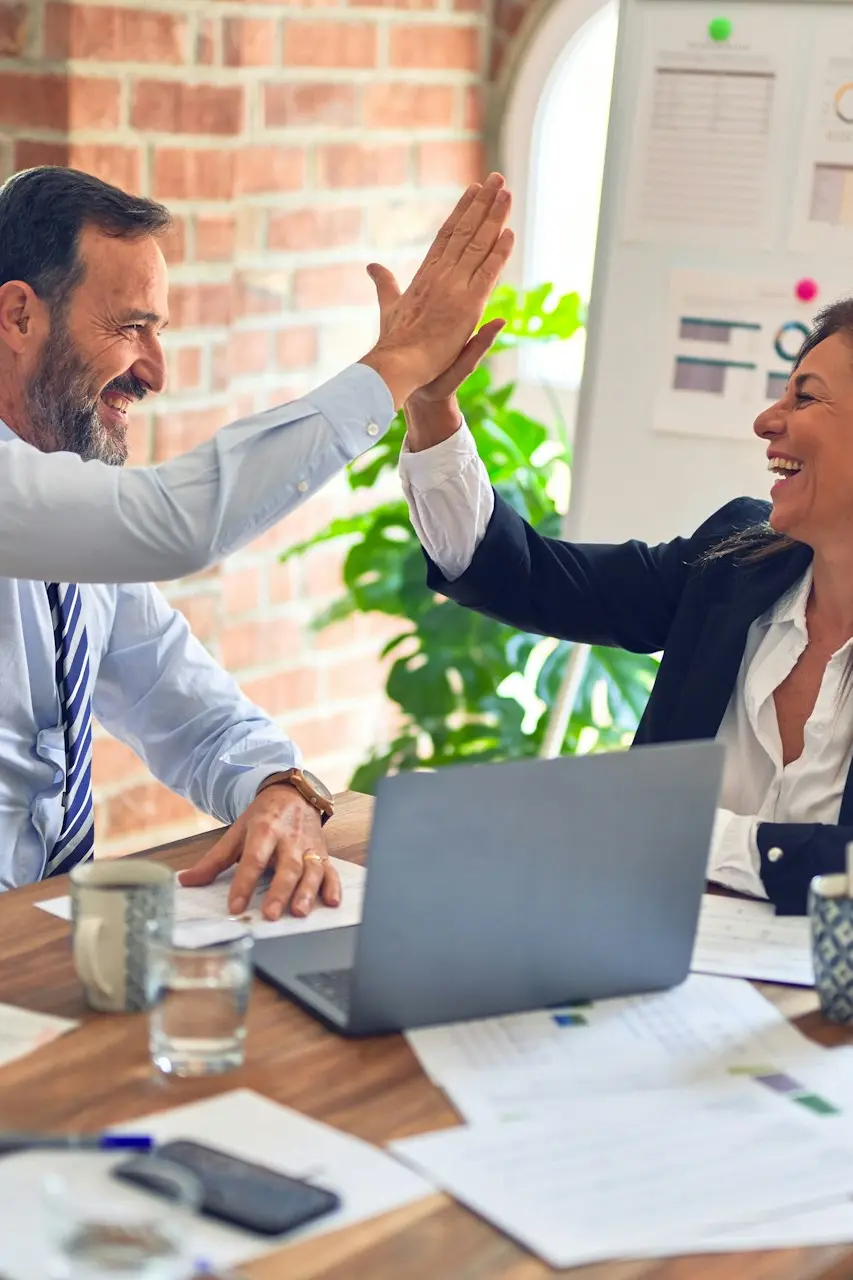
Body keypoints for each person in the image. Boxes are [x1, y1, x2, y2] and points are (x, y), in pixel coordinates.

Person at [0, 164, 513, 913]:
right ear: (18, 316)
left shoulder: (67, 516)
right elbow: (175, 524)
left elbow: (187, 708)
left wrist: (282, 786)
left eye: (158, 329)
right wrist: (394, 366)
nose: (155, 371)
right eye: (128, 326)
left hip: (37, 930)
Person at [397, 297, 853, 915]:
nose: (767, 421)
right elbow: (525, 575)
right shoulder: (734, 565)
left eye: (805, 397)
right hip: (649, 967)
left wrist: (683, 833)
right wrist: (431, 406)